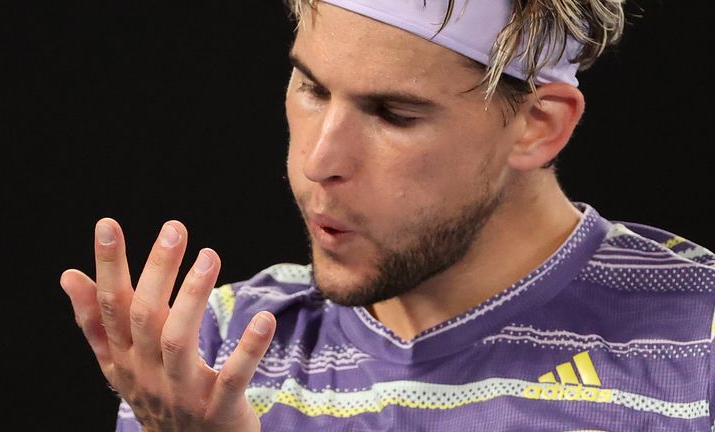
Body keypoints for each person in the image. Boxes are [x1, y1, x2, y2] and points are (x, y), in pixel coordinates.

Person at [60, 0, 715, 430]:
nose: (319, 161)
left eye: (393, 115)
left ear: (537, 126)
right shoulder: (211, 352)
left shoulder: (700, 346)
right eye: (311, 89)